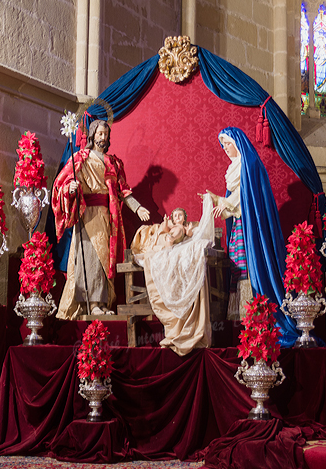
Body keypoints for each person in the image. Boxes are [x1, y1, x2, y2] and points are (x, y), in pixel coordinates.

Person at [205, 127, 299, 346]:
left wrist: (225, 203)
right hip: (239, 226)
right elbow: (235, 199)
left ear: (237, 143)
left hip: (251, 229)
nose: (225, 148)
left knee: (250, 268)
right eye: (223, 145)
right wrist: (217, 200)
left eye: (227, 143)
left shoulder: (251, 164)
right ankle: (243, 325)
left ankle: (256, 319)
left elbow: (248, 196)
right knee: (238, 269)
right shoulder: (233, 168)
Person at [51, 120, 150, 318]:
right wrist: (70, 189)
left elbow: (123, 190)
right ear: (92, 135)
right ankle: (92, 302)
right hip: (87, 214)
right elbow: (61, 183)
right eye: (100, 134)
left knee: (106, 258)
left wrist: (137, 208)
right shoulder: (81, 158)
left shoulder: (113, 162)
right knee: (91, 257)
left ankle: (103, 301)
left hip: (108, 216)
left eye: (106, 134)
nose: (103, 138)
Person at [131, 193, 215, 357]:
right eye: (175, 215)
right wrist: (165, 227)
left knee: (182, 255)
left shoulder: (185, 228)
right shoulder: (170, 227)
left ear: (184, 218)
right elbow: (162, 231)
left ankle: (186, 326)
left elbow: (191, 236)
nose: (177, 218)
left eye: (180, 215)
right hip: (170, 242)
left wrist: (189, 232)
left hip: (178, 244)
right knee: (164, 251)